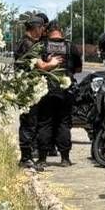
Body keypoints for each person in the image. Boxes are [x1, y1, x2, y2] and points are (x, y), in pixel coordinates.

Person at [13, 12, 60, 170]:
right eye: (42, 28)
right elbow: (42, 66)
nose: (43, 32)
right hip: (27, 91)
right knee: (29, 123)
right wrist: (53, 63)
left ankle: (27, 157)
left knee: (31, 123)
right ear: (36, 28)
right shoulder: (27, 44)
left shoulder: (28, 42)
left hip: (28, 90)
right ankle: (25, 158)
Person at [38, 21, 85, 166]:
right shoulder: (70, 46)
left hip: (47, 90)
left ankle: (42, 159)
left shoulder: (42, 46)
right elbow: (78, 69)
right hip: (66, 90)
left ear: (47, 32)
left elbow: (38, 67)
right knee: (64, 123)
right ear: (61, 31)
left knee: (45, 123)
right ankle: (65, 158)